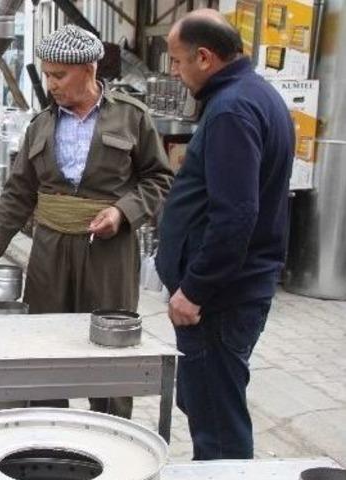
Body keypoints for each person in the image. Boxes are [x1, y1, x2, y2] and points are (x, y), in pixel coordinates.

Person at [0, 25, 174, 419]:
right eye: (47, 74)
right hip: (49, 250)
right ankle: (51, 431)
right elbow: (19, 192)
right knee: (45, 347)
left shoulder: (131, 118)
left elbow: (158, 178)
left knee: (110, 347)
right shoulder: (41, 126)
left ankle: (111, 434)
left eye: (59, 75)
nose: (51, 84)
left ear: (89, 68)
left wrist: (123, 212)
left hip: (109, 252)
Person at [156, 9, 294, 460]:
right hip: (230, 294)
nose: (174, 72)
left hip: (217, 302)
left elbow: (235, 215)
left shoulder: (233, 109)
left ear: (204, 57)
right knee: (208, 407)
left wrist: (194, 289)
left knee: (219, 427)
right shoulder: (252, 94)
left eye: (177, 62)